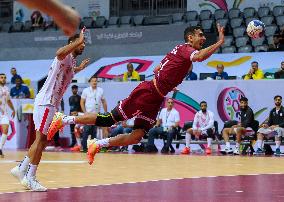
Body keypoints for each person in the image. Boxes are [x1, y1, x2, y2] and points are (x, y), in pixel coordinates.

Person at [48, 24, 225, 165]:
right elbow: (200, 56)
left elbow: (158, 68)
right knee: (109, 119)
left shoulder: (180, 53)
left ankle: (97, 144)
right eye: (200, 35)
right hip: (147, 93)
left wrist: (168, 84)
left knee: (137, 136)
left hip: (156, 98)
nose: (203, 38)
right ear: (190, 37)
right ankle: (64, 119)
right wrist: (220, 41)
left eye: (204, 36)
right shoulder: (186, 50)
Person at [10, 28, 89, 192]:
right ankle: (30, 178)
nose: (83, 46)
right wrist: (79, 39)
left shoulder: (71, 61)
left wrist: (79, 68)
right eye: (81, 44)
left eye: (84, 44)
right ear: (72, 44)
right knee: (41, 140)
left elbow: (69, 71)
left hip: (48, 103)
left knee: (41, 140)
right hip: (47, 102)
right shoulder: (64, 55)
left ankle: (21, 168)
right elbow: (59, 52)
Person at [79, 76, 107, 152]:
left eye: (96, 81)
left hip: (96, 115)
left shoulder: (101, 90)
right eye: (93, 81)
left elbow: (104, 101)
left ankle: (92, 148)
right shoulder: (86, 90)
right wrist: (85, 112)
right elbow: (82, 102)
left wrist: (105, 112)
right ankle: (84, 148)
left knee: (94, 132)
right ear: (90, 82)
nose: (94, 82)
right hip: (88, 114)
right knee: (86, 131)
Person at [0, 73, 16, 157]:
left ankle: (0, 148)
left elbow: (8, 101)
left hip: (4, 113)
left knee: (5, 130)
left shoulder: (6, 88)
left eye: (4, 78)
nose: (3, 79)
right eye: (1, 77)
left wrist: (13, 109)